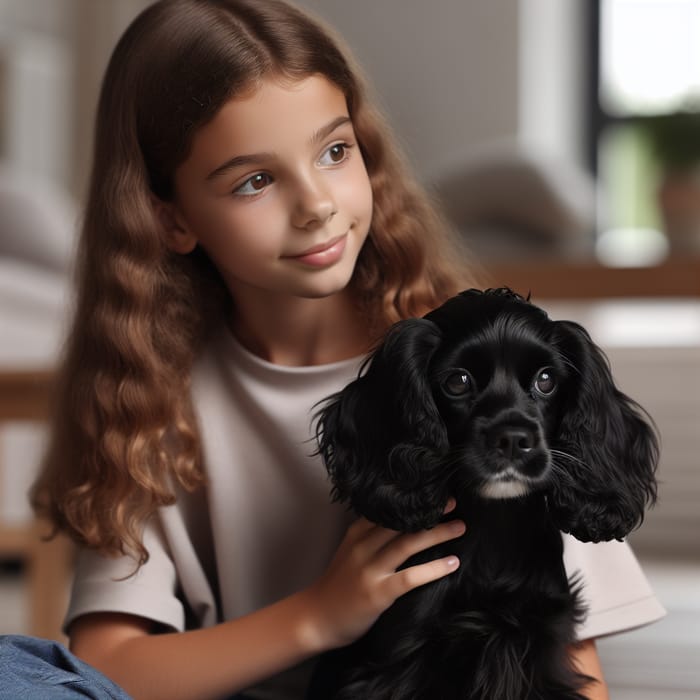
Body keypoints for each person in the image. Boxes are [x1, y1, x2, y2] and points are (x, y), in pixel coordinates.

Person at [0, 1, 664, 699]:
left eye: (334, 150)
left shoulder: (482, 365)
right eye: (255, 180)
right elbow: (108, 667)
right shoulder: (148, 400)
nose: (316, 203)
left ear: (366, 151)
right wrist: (320, 615)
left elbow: (571, 668)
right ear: (170, 217)